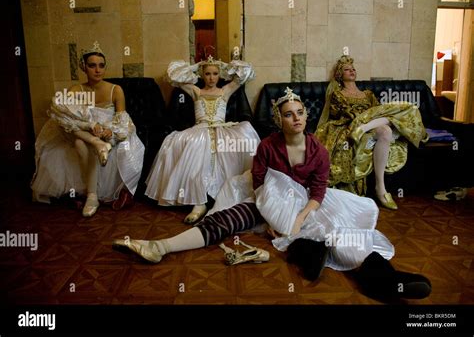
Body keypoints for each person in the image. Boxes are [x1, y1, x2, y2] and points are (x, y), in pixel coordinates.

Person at [113, 88, 431, 301]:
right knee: (228, 218)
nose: (295, 117)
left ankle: (385, 280)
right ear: (280, 119)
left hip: (308, 199)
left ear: (306, 115)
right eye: (288, 113)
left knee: (337, 229)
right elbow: (261, 183)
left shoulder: (317, 149)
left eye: (300, 112)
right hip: (265, 197)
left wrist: (303, 214)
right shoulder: (267, 146)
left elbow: (319, 188)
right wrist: (272, 216)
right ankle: (161, 246)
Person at [31, 41, 145, 217]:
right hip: (85, 133)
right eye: (92, 66)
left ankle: (92, 194)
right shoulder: (77, 89)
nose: (97, 70)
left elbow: (122, 119)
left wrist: (110, 131)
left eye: (101, 66)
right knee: (69, 129)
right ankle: (92, 194)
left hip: (105, 133)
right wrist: (91, 128)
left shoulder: (116, 90)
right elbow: (64, 115)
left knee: (80, 141)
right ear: (84, 67)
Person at [144, 56, 260, 224]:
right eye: (207, 73)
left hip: (222, 129)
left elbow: (245, 72)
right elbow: (174, 75)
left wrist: (225, 66)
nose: (211, 78)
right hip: (200, 129)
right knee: (188, 147)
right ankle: (199, 203)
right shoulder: (196, 92)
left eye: (215, 73)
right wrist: (196, 66)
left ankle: (226, 198)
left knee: (245, 135)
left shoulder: (225, 90)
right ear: (202, 75)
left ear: (220, 75)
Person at [315, 55, 428, 210]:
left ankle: (380, 186)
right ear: (340, 75)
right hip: (350, 125)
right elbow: (339, 114)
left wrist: (367, 123)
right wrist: (360, 119)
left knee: (398, 119)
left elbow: (380, 113)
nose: (352, 71)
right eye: (347, 69)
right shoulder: (337, 94)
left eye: (353, 69)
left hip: (369, 126)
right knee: (385, 127)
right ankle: (381, 189)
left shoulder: (368, 94)